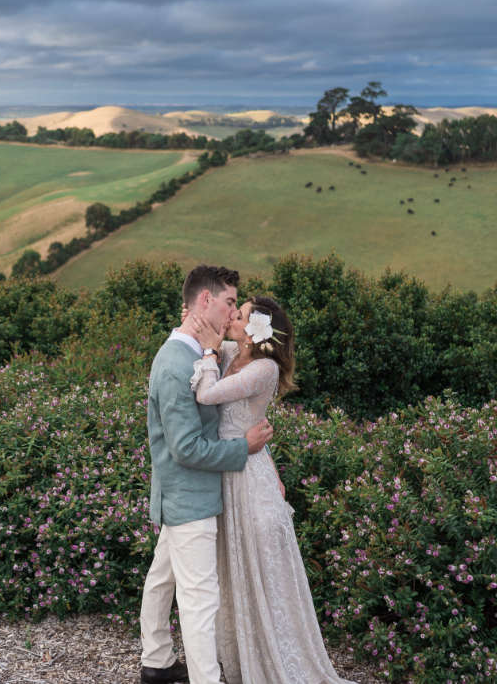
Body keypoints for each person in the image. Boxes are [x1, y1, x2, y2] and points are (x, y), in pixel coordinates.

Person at [188, 295, 355, 684]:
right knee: (236, 566)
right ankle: (246, 656)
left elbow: (207, 395)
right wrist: (197, 321)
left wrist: (210, 353)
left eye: (240, 314)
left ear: (254, 330)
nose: (232, 316)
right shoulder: (232, 351)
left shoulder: (263, 368)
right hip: (232, 467)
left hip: (250, 479)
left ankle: (279, 658)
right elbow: (208, 333)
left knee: (262, 568)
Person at [139, 265, 275, 684]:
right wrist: (244, 449)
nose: (234, 311)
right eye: (230, 301)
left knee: (162, 579)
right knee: (199, 599)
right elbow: (185, 448)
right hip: (190, 498)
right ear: (205, 301)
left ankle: (157, 663)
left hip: (178, 494)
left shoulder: (193, 352)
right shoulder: (177, 364)